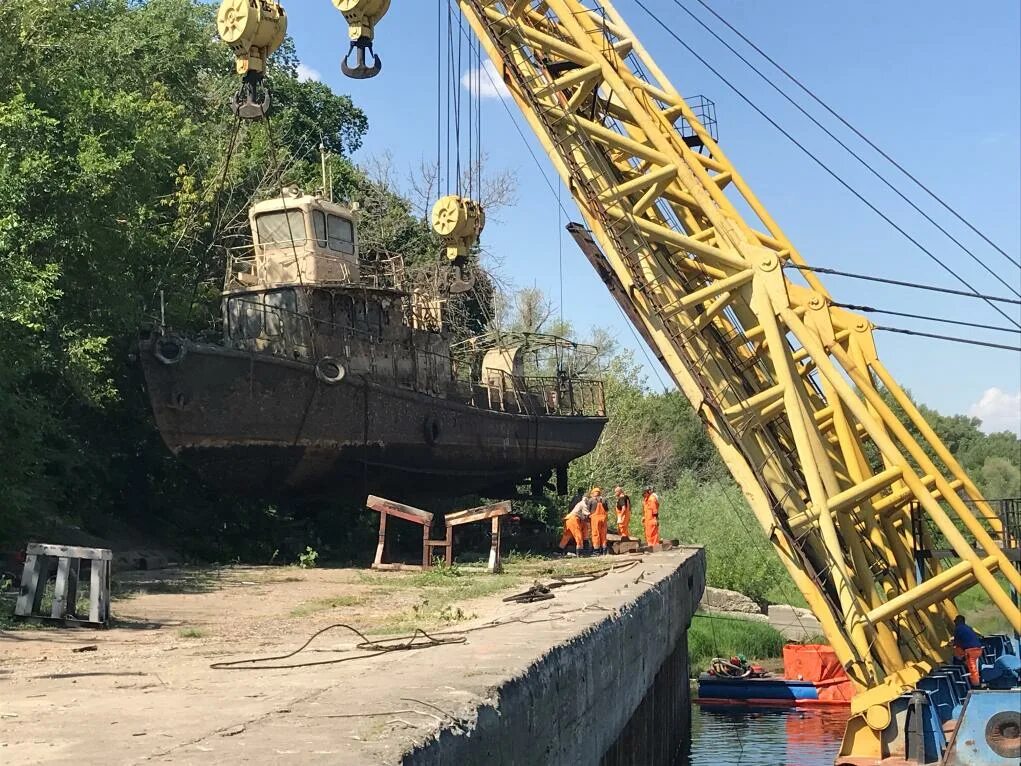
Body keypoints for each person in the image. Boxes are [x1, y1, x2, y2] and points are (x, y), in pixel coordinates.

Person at [952, 614, 984, 687]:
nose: (955, 623)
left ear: (958, 622)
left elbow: (956, 642)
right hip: (978, 649)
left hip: (971, 651)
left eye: (955, 622)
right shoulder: (968, 627)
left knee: (972, 669)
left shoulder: (958, 629)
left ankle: (976, 685)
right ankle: (978, 680)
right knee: (974, 666)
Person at [558, 491, 591, 556]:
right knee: (578, 535)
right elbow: (587, 514)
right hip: (573, 519)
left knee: (567, 536)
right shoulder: (583, 503)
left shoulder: (580, 503)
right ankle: (580, 552)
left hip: (568, 519)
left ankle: (559, 550)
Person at [588, 487, 609, 555]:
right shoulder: (604, 499)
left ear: (593, 493)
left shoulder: (591, 500)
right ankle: (604, 550)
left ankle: (596, 551)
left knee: (595, 534)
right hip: (603, 518)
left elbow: (588, 510)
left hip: (595, 519)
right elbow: (606, 509)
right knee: (603, 534)